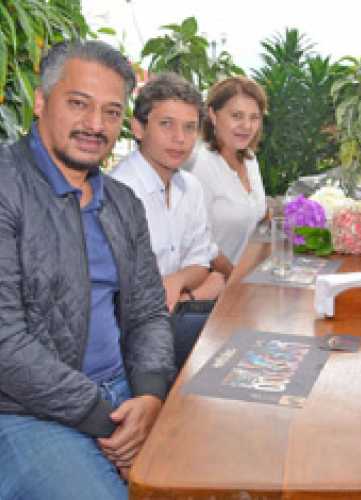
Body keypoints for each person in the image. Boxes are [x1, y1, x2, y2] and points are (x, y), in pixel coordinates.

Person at [0, 41, 173, 499]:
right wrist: (106, 419)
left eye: (112, 112)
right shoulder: (6, 186)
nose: (96, 125)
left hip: (123, 394)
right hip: (22, 410)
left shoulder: (122, 203)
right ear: (41, 101)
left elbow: (149, 312)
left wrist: (150, 395)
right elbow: (4, 342)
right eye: (79, 104)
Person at [111, 72, 223, 369]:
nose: (180, 138)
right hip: (130, 339)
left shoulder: (190, 186)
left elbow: (200, 263)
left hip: (177, 315)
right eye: (166, 124)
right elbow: (125, 297)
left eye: (189, 127)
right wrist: (196, 290)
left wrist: (178, 282)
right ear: (138, 128)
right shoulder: (119, 192)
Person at [185, 76, 267, 277]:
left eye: (254, 117)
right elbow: (199, 242)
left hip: (245, 275)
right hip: (212, 283)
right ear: (213, 114)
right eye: (237, 116)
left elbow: (258, 213)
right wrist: (234, 279)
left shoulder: (249, 159)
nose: (247, 126)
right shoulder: (201, 165)